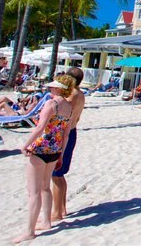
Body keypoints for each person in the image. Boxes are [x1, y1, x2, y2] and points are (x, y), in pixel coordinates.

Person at [14, 79, 73, 244]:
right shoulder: (70, 107)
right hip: (55, 149)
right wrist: (61, 153)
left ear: (56, 88)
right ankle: (46, 221)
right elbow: (66, 134)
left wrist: (25, 145)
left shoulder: (51, 104)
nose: (50, 88)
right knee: (45, 186)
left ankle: (29, 231)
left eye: (52, 86)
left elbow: (40, 128)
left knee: (33, 192)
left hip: (41, 148)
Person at [52, 69, 85, 222]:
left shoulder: (72, 95)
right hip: (70, 132)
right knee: (59, 175)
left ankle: (57, 212)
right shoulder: (79, 93)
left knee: (56, 174)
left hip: (65, 134)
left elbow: (62, 112)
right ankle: (61, 208)